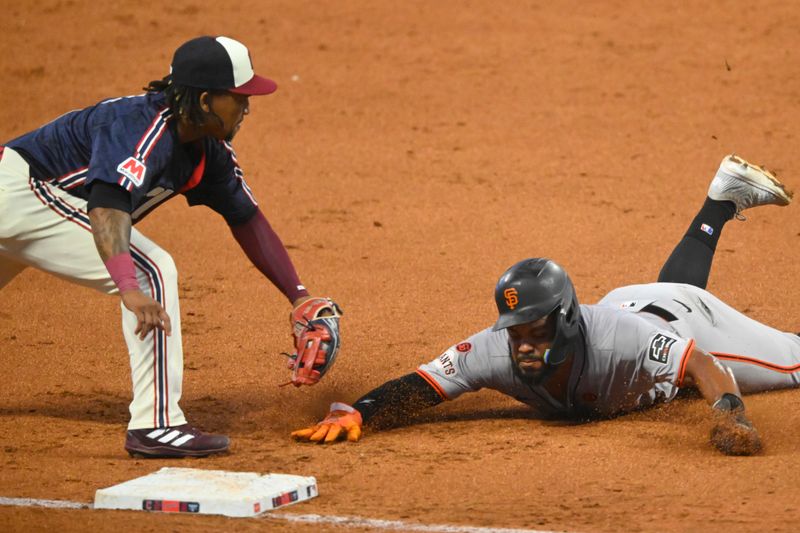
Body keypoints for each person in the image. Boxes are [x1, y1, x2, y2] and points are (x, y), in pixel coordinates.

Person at [292, 154, 797, 455]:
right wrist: (360, 413)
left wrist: (731, 415)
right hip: (640, 307)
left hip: (687, 320)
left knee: (793, 363)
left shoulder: (621, 341)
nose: (524, 345)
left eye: (536, 331)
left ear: (568, 319)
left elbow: (701, 363)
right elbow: (422, 386)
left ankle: (720, 204)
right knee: (668, 303)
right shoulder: (491, 350)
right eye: (516, 331)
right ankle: (721, 201)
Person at [0, 36, 341, 458]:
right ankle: (156, 424)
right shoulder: (139, 126)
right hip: (18, 192)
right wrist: (127, 285)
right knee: (151, 271)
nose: (247, 106)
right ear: (203, 101)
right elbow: (106, 207)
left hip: (20, 201)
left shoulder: (207, 150)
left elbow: (246, 218)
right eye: (237, 97)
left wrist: (299, 296)